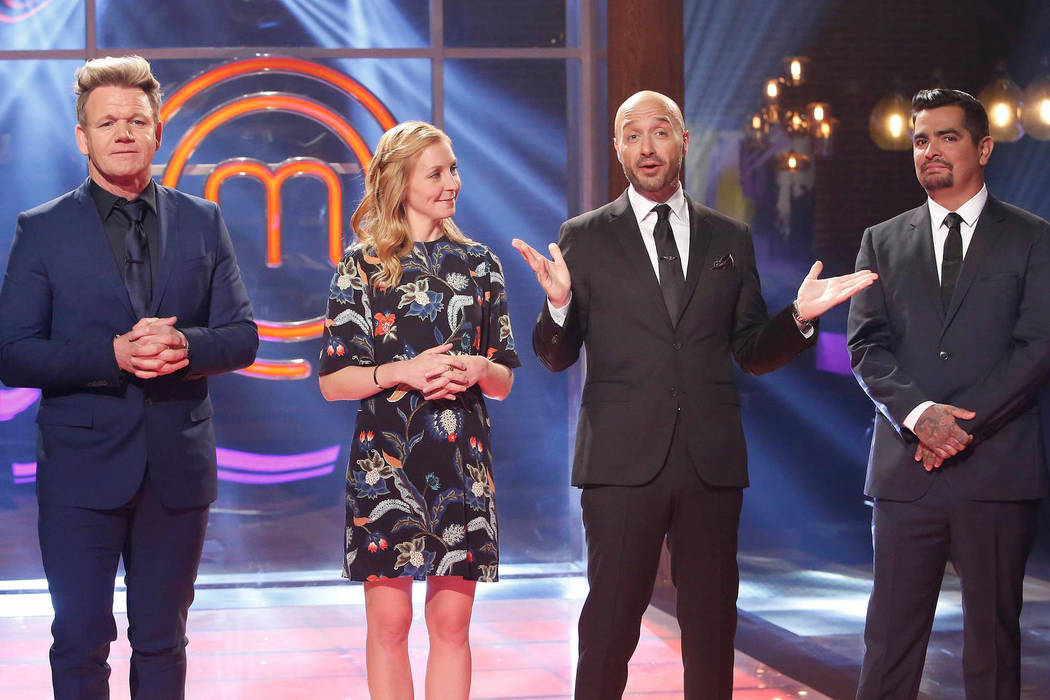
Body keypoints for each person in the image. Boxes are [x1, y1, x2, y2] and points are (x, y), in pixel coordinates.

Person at [511, 90, 876, 699]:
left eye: (659, 132)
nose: (646, 147)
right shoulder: (584, 237)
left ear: (682, 141)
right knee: (609, 627)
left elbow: (752, 350)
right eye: (632, 135)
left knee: (711, 629)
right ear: (618, 148)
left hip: (710, 460)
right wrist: (559, 304)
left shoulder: (729, 236)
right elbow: (556, 355)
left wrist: (799, 319)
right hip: (620, 463)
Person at [0, 56, 258, 698]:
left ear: (158, 131)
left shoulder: (203, 219)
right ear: (82, 137)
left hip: (177, 468)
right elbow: (13, 352)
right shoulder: (43, 228)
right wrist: (111, 354)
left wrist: (185, 345)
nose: (123, 133)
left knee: (164, 640)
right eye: (107, 122)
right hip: (80, 472)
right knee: (80, 641)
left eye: (137, 121)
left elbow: (242, 336)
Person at [848, 88, 1050, 699]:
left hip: (996, 471)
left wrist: (958, 427)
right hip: (906, 474)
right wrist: (919, 417)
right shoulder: (881, 240)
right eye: (920, 140)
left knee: (993, 647)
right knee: (888, 645)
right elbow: (866, 346)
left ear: (983, 148)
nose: (930, 150)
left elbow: (1037, 347)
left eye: (947, 137)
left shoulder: (1032, 238)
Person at [318, 121, 519, 700]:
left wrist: (479, 369)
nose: (451, 182)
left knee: (451, 628)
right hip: (385, 469)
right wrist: (400, 372)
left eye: (453, 169)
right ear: (400, 183)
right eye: (436, 173)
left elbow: (504, 380)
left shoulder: (480, 265)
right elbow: (333, 382)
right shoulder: (361, 267)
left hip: (461, 470)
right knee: (389, 627)